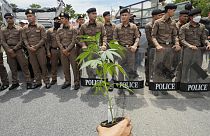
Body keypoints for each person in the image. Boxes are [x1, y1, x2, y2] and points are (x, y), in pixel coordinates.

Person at [151, 3, 181, 95]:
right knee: (158, 67)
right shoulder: (158, 22)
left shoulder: (173, 23)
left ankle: (164, 86)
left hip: (170, 48)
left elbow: (175, 35)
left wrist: (177, 44)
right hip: (161, 48)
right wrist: (157, 45)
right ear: (168, 10)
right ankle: (155, 87)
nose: (174, 12)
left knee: (167, 68)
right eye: (173, 10)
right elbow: (153, 36)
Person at [1, 13, 33, 90]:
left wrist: (14, 49)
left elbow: (21, 40)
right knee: (13, 67)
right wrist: (9, 50)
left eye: (10, 18)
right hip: (9, 50)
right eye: (7, 18)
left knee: (24, 66)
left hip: (18, 50)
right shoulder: (3, 30)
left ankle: (28, 82)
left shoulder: (19, 29)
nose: (8, 20)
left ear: (13, 19)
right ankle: (15, 82)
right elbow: (2, 41)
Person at [22, 9, 51, 89]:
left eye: (30, 16)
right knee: (34, 66)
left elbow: (44, 38)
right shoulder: (25, 28)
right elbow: (24, 39)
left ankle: (47, 81)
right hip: (30, 50)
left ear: (34, 17)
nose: (29, 18)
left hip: (40, 49)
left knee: (43, 66)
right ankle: (38, 82)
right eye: (27, 16)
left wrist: (36, 46)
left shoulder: (41, 27)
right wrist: (28, 47)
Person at [114, 8, 140, 95]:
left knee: (131, 68)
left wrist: (135, 45)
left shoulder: (133, 26)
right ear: (120, 17)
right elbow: (115, 39)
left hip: (130, 50)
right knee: (120, 68)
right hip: (121, 50)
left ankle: (130, 86)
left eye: (125, 15)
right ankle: (120, 87)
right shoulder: (117, 27)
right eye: (122, 15)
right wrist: (118, 46)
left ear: (129, 16)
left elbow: (137, 37)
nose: (124, 17)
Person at [179, 8, 210, 83]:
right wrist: (189, 46)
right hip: (187, 51)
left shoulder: (202, 26)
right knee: (185, 68)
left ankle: (193, 84)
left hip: (198, 51)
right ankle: (183, 84)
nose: (198, 17)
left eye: (199, 15)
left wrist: (208, 43)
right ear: (191, 17)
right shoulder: (184, 27)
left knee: (196, 68)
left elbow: (204, 39)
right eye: (196, 15)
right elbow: (182, 40)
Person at [79, 8, 107, 78]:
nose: (95, 15)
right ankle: (92, 84)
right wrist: (83, 45)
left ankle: (103, 84)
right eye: (93, 14)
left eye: (96, 13)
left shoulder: (100, 25)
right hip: (88, 51)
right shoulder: (83, 26)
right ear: (88, 15)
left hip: (99, 50)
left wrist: (104, 44)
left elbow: (104, 36)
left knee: (101, 67)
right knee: (89, 69)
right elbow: (80, 38)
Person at [56, 12, 80, 90]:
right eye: (60, 18)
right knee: (65, 67)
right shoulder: (59, 30)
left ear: (67, 19)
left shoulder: (73, 29)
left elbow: (74, 40)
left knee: (74, 67)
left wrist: (67, 49)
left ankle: (76, 82)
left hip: (72, 50)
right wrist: (63, 49)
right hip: (63, 51)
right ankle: (67, 81)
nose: (61, 20)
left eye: (62, 18)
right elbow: (58, 40)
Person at [145, 9, 163, 96]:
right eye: (159, 15)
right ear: (154, 16)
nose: (161, 17)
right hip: (152, 48)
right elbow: (150, 38)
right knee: (150, 65)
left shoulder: (161, 24)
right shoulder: (148, 25)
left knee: (159, 65)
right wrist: (158, 45)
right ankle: (149, 81)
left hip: (161, 48)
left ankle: (159, 82)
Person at [46, 17, 61, 85]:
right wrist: (48, 52)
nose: (57, 22)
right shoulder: (49, 31)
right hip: (53, 50)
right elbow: (48, 42)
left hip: (62, 50)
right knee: (53, 65)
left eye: (58, 21)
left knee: (65, 66)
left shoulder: (63, 30)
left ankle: (67, 80)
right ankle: (54, 79)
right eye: (55, 21)